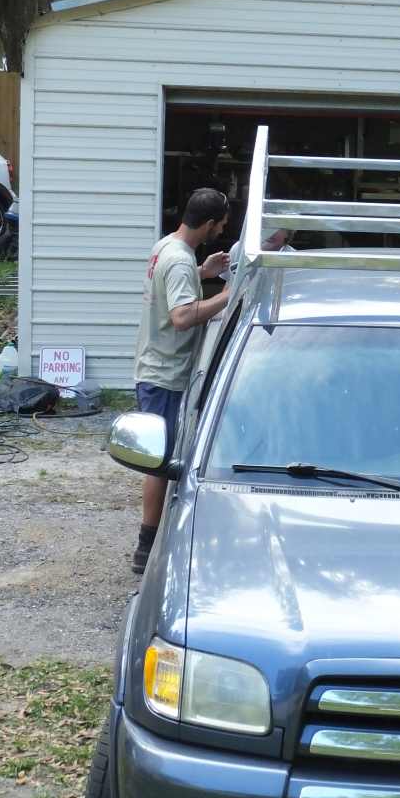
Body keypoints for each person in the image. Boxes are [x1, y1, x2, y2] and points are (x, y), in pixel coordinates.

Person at [131, 188, 231, 573]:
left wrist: (202, 272)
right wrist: (226, 294)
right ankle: (146, 548)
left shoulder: (170, 248)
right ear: (207, 224)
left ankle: (152, 540)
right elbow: (183, 317)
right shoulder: (176, 260)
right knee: (159, 461)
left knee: (163, 456)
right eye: (220, 226)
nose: (220, 231)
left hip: (157, 370)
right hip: (164, 375)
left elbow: (174, 288)